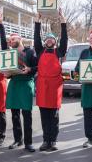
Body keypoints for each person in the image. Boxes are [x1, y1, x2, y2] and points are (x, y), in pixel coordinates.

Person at [0, 20, 36, 151]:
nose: (10, 41)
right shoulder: (10, 54)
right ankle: (17, 140)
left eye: (13, 38)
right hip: (14, 84)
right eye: (9, 40)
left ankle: (28, 142)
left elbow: (37, 67)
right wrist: (7, 74)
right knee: (15, 115)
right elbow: (3, 44)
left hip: (26, 84)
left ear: (20, 39)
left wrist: (30, 69)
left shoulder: (30, 52)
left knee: (27, 115)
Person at [33, 18, 68, 152]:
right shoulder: (40, 51)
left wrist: (63, 23)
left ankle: (53, 141)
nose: (49, 40)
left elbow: (64, 39)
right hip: (42, 86)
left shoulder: (59, 52)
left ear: (55, 41)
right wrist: (37, 22)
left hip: (54, 87)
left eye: (51, 39)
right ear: (44, 42)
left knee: (54, 116)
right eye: (47, 39)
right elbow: (36, 37)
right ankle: (45, 140)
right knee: (44, 115)